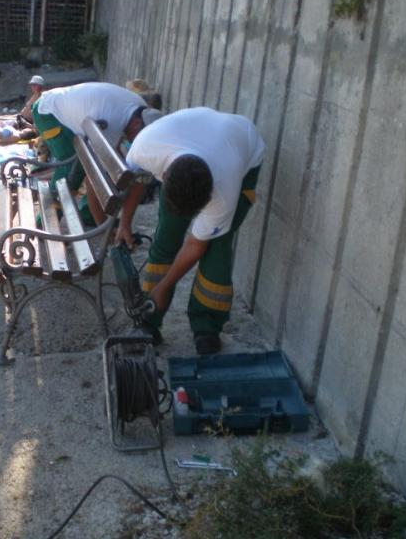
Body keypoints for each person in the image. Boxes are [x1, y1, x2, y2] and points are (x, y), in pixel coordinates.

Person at [116, 107, 265, 355]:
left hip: (242, 147)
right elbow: (135, 183)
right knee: (166, 235)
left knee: (217, 246)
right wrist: (124, 223)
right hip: (203, 139)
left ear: (209, 194)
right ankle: (149, 318)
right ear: (164, 176)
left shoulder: (225, 189)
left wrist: (164, 286)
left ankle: (207, 326)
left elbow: (196, 244)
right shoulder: (145, 149)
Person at [31, 81, 163, 192]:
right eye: (140, 137)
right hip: (47, 112)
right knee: (72, 168)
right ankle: (53, 205)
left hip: (55, 102)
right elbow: (101, 167)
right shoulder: (111, 123)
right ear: (136, 123)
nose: (137, 141)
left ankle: (68, 204)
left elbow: (115, 149)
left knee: (79, 165)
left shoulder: (140, 106)